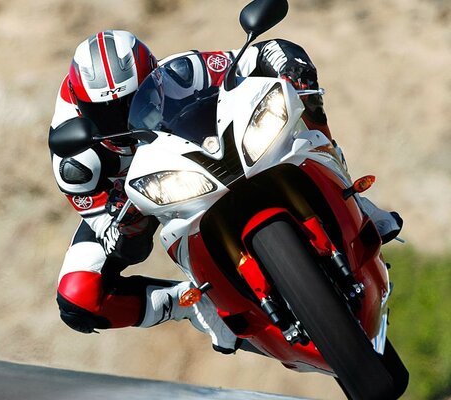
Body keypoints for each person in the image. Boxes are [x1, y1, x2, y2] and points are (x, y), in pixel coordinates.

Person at [48, 30, 402, 353]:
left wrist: (288, 63)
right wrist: (125, 227)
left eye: (133, 101)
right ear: (83, 112)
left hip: (204, 150)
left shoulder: (179, 75)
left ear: (152, 77)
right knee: (79, 298)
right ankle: (193, 309)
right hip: (136, 195)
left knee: (299, 89)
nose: (121, 120)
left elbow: (258, 54)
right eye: (106, 115)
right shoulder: (77, 163)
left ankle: (344, 183)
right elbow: (118, 240)